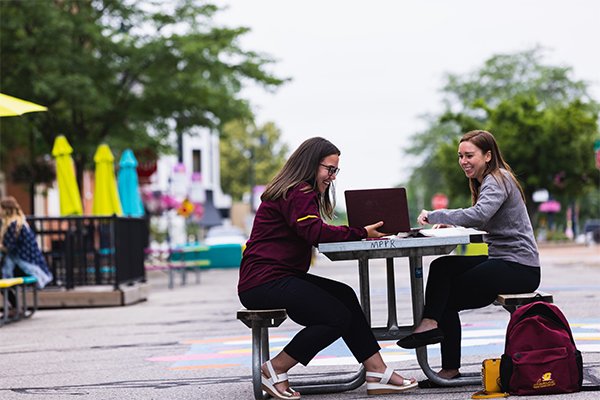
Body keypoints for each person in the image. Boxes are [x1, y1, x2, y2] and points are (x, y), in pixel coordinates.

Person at [238, 137, 418, 399]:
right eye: (329, 169)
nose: (332, 177)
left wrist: (358, 233)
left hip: (275, 278)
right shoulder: (298, 191)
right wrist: (360, 232)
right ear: (311, 164)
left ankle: (377, 371)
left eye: (335, 171)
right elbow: (313, 232)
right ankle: (274, 369)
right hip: (264, 282)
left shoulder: (295, 191)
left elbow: (312, 231)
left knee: (344, 294)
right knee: (336, 317)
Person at [396, 130, 540, 387]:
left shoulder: (498, 178)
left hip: (519, 267)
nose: (463, 161)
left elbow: (479, 214)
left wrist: (436, 216)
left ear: (487, 155)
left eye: (469, 155)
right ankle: (430, 324)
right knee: (443, 267)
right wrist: (452, 226)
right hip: (502, 258)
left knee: (447, 296)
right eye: (460, 156)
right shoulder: (488, 180)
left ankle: (444, 356)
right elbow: (484, 217)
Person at [0, 196, 53, 290]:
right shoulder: (20, 222)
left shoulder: (13, 225)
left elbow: (8, 247)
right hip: (34, 265)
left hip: (25, 266)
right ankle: (15, 304)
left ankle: (14, 304)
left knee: (4, 281)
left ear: (6, 210)